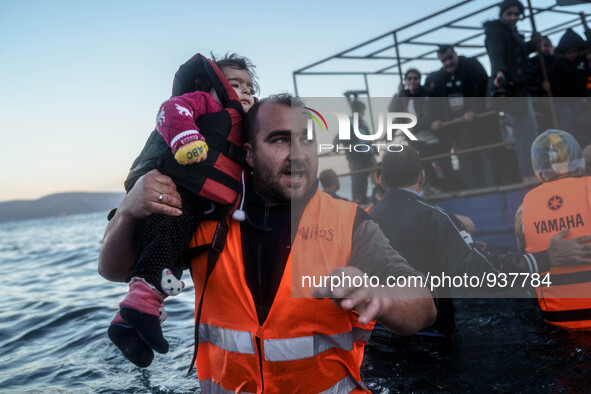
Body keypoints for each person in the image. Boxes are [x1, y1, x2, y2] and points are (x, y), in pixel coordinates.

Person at [98, 94, 436, 391]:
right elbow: (115, 271)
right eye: (280, 140)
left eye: (307, 140)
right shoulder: (206, 219)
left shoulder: (351, 221)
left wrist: (383, 297)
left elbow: (424, 310)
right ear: (249, 154)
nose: (298, 154)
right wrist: (127, 211)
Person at [106, 53, 256, 367]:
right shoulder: (204, 101)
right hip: (174, 191)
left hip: (196, 202)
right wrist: (186, 139)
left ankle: (128, 322)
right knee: (168, 238)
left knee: (169, 254)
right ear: (213, 87)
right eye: (234, 85)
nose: (244, 93)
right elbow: (171, 110)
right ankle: (141, 306)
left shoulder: (246, 127)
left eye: (249, 87)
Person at [370, 145, 591, 337]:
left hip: (375, 336)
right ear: (422, 176)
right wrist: (547, 257)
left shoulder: (362, 220)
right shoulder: (436, 218)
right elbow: (488, 277)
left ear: (382, 180)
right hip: (429, 336)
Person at [515, 129, 591, 330]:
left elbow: (526, 269)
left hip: (558, 325)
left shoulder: (524, 209)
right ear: (578, 158)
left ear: (537, 167)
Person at [483, 0, 540, 183]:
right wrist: (499, 72)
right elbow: (496, 53)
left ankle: (531, 170)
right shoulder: (497, 32)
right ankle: (528, 174)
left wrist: (533, 44)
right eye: (509, 14)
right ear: (502, 14)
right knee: (524, 131)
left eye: (516, 14)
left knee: (528, 129)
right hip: (511, 89)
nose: (513, 17)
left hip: (520, 87)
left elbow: (518, 54)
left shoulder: (512, 33)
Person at [425, 45, 497, 189]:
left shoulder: (471, 66)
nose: (447, 63)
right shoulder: (440, 76)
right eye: (443, 60)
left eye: (450, 58)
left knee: (487, 158)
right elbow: (434, 99)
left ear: (455, 54)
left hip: (481, 124)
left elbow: (482, 86)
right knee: (466, 161)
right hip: (459, 128)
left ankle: (493, 189)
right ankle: (474, 192)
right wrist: (436, 119)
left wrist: (474, 110)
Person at [342, 93, 376, 205]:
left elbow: (369, 137)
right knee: (358, 183)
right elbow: (345, 141)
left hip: (366, 157)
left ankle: (366, 200)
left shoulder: (362, 122)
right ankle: (358, 205)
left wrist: (373, 149)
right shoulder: (347, 124)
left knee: (366, 181)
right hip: (356, 159)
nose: (363, 114)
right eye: (362, 111)